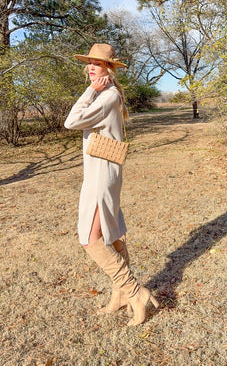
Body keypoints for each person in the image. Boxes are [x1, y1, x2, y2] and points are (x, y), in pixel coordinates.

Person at [64, 43, 158, 326]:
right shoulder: (107, 95)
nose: (92, 68)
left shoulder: (106, 96)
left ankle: (134, 291)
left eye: (98, 64)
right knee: (110, 233)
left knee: (90, 238)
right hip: (101, 170)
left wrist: (91, 90)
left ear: (109, 70)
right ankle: (120, 295)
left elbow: (72, 122)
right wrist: (94, 90)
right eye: (90, 64)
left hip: (102, 172)